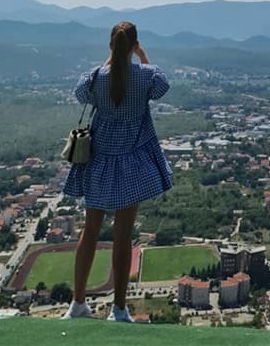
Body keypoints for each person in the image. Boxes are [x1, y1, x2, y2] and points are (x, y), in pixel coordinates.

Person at [61, 21, 172, 322]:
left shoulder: (96, 78)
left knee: (90, 231)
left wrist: (111, 59)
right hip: (132, 163)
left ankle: (77, 303)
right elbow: (162, 86)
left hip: (98, 161)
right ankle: (119, 309)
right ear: (134, 45)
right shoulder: (146, 77)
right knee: (123, 236)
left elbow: (81, 94)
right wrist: (141, 56)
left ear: (111, 45)